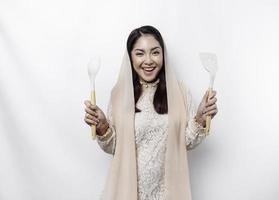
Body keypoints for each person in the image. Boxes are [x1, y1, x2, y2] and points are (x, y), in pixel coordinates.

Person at [84, 25, 218, 200]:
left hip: (169, 192)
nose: (148, 60)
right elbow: (114, 147)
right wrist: (102, 126)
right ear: (130, 57)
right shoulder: (119, 94)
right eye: (140, 53)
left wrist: (200, 118)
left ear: (163, 55)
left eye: (155, 52)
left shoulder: (180, 91)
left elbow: (186, 141)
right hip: (126, 191)